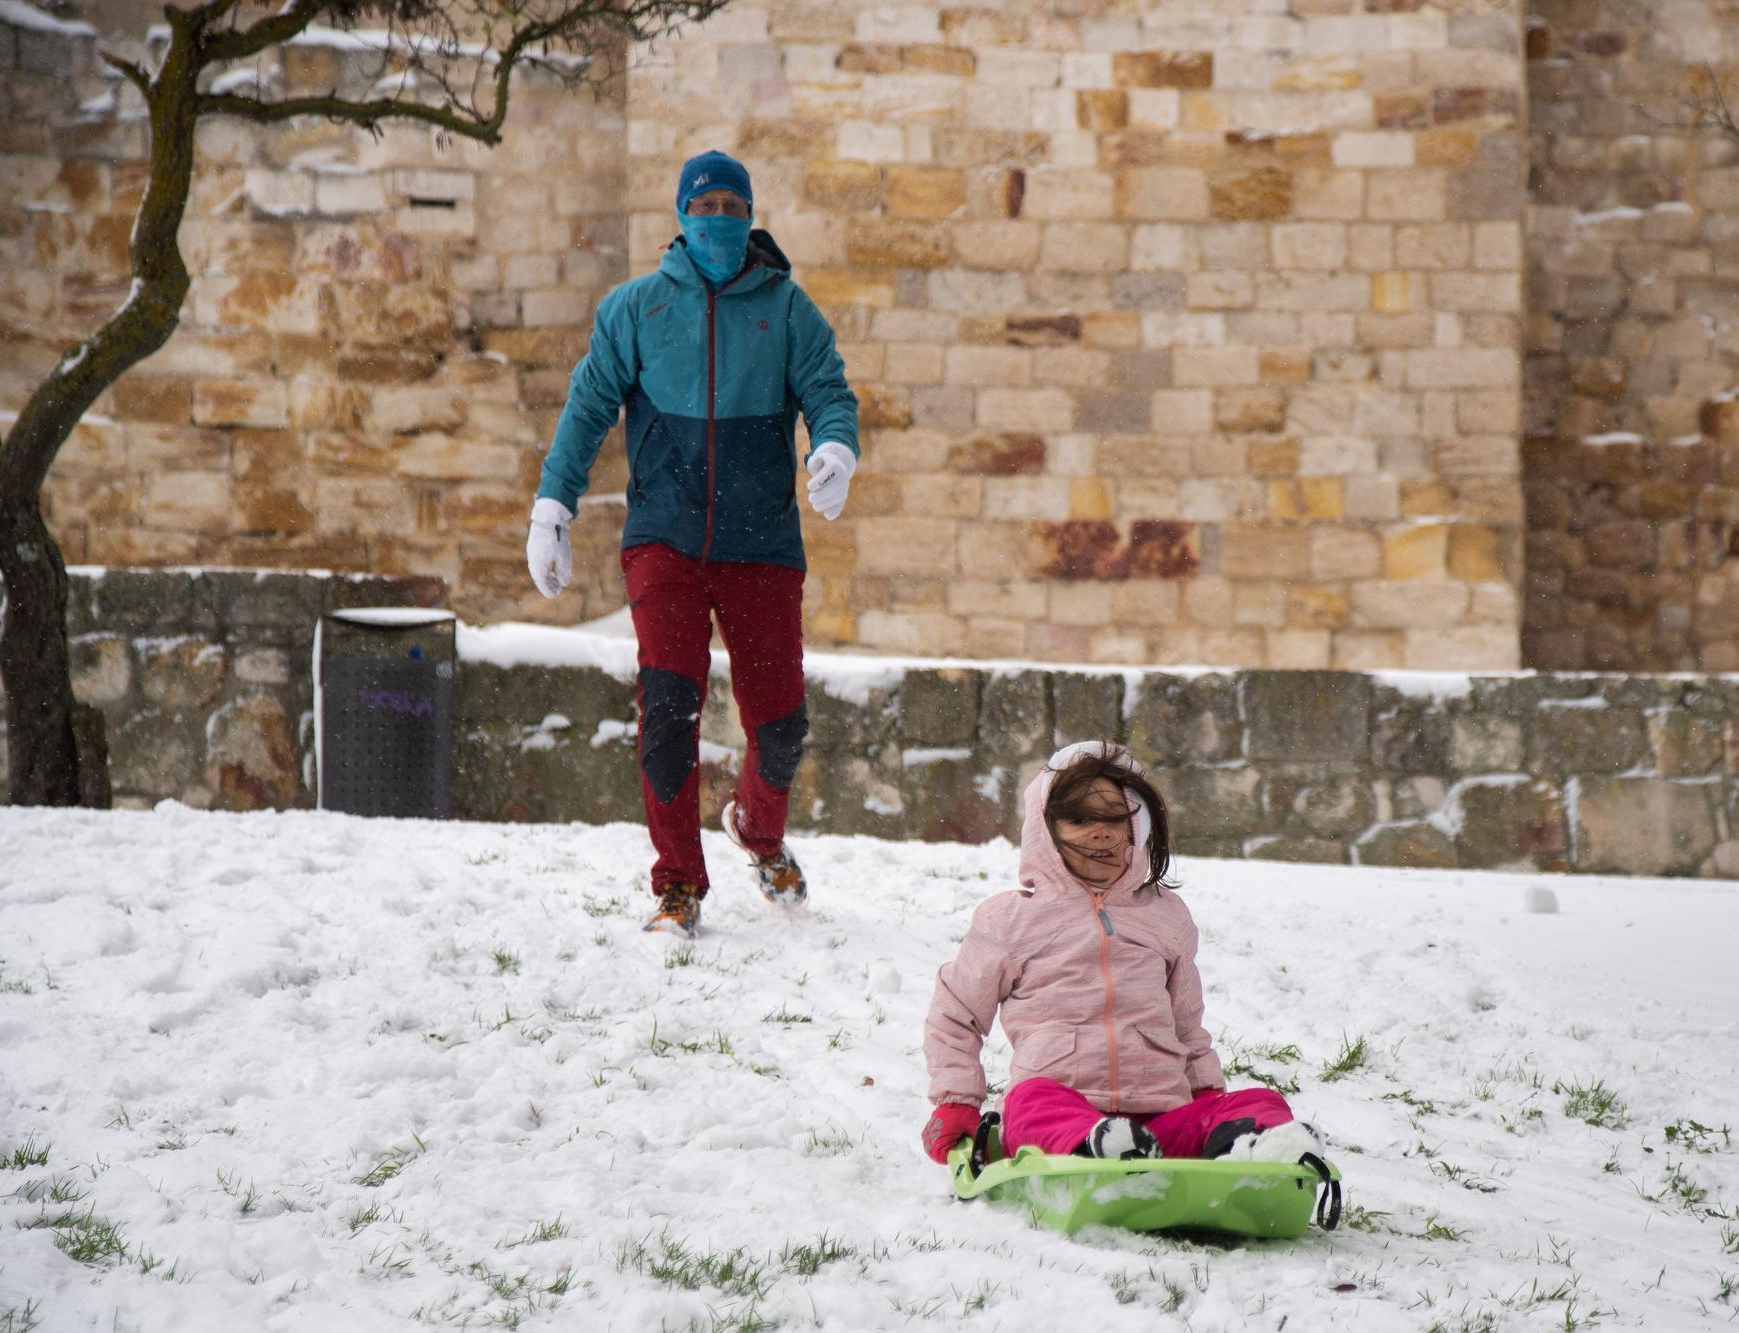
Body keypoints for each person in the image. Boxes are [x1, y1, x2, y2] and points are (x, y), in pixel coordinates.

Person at [525, 149, 860, 939]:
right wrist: (553, 505)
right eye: (702, 207)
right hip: (665, 540)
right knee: (669, 707)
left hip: (763, 543)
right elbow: (586, 409)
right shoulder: (636, 310)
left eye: (730, 207)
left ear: (750, 216)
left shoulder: (787, 309)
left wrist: (836, 447)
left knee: (780, 723)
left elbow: (830, 391)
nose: (717, 220)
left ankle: (758, 828)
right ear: (681, 217)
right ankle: (678, 882)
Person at [920, 741, 1326, 1165]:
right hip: (1059, 1118)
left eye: (1116, 819)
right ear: (1044, 830)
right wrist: (956, 1102)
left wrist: (1207, 1100)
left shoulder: (1164, 918)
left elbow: (1186, 1027)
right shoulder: (1010, 921)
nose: (1102, 831)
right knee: (1029, 1101)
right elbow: (956, 1015)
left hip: (1160, 1119)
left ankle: (1256, 1152)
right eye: (1079, 819)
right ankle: (1095, 1147)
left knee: (1260, 1101)